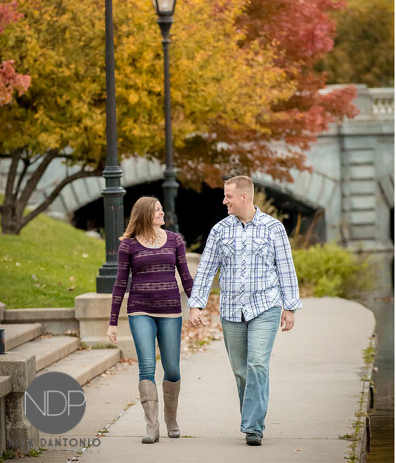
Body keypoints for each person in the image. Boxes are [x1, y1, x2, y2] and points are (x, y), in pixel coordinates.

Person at [187, 175, 301, 447]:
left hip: (266, 306)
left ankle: (253, 427)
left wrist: (290, 307)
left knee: (258, 363)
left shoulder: (274, 229)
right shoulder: (219, 231)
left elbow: (286, 267)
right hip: (231, 309)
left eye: (228, 196)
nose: (224, 201)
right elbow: (206, 270)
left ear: (244, 198)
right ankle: (253, 420)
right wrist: (196, 304)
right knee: (241, 370)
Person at [107, 196, 193, 444]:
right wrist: (112, 321)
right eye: (156, 210)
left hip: (170, 312)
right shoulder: (129, 246)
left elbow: (186, 276)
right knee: (146, 366)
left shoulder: (175, 240)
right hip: (140, 311)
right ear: (144, 214)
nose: (161, 212)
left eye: (161, 209)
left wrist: (196, 306)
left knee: (173, 369)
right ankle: (152, 427)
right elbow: (120, 284)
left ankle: (171, 419)